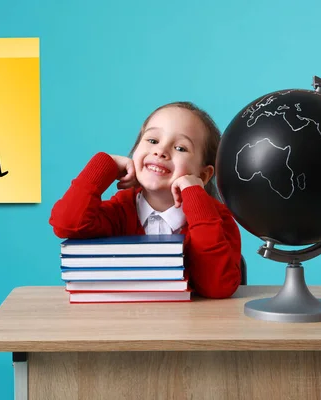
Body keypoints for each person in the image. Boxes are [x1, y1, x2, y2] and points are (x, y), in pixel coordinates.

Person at [49, 102, 242, 298]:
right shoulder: (120, 212)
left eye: (180, 148)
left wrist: (194, 193)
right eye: (152, 140)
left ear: (203, 174)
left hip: (189, 325)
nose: (161, 151)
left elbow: (218, 287)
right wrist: (104, 165)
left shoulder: (216, 219)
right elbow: (67, 224)